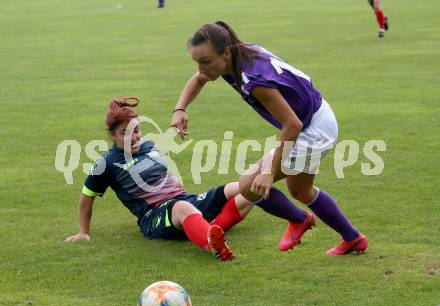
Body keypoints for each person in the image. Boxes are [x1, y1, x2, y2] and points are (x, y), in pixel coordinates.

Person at [171, 21, 368, 255]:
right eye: (197, 63)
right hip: (317, 116)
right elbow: (199, 79)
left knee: (249, 186)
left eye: (205, 62)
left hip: (311, 130)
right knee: (301, 191)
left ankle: (299, 220)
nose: (201, 69)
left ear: (225, 52)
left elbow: (292, 125)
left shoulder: (253, 80)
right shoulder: (234, 57)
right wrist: (180, 108)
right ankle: (353, 238)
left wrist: (269, 171)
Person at [65, 96, 254, 261]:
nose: (133, 137)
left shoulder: (149, 146)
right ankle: (213, 244)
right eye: (125, 132)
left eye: (136, 130)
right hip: (153, 216)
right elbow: (86, 196)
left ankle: (205, 228)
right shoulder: (105, 163)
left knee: (246, 190)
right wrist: (83, 232)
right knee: (182, 208)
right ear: (113, 136)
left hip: (184, 199)